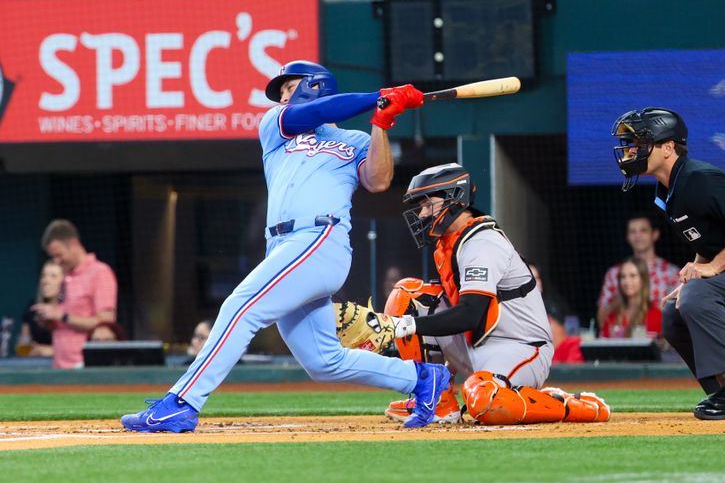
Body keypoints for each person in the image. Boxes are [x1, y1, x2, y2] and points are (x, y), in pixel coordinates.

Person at [121, 60, 450, 432]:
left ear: (314, 84)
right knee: (324, 362)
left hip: (319, 239)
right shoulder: (277, 127)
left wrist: (382, 121)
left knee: (241, 307)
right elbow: (320, 111)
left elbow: (378, 180)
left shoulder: (355, 141)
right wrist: (377, 96)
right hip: (282, 246)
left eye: (288, 87)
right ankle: (423, 379)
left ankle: (182, 403)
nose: (282, 95)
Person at [383, 164, 609, 425]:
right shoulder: (450, 242)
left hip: (521, 348)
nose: (422, 214)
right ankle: (438, 403)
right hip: (478, 344)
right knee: (407, 295)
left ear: (453, 198)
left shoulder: (482, 242)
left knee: (486, 402)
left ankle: (574, 407)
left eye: (427, 204)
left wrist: (397, 326)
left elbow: (470, 313)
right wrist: (391, 323)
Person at [612, 106, 725, 420]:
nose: (631, 150)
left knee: (701, 294)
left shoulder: (698, 177)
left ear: (668, 147)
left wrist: (710, 270)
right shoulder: (670, 190)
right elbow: (710, 242)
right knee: (675, 310)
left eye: (640, 142)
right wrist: (694, 272)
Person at [33, 220, 118, 369]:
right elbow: (63, 321)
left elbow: (106, 322)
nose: (57, 261)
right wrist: (48, 319)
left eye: (59, 255)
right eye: (53, 257)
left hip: (85, 366)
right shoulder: (63, 276)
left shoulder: (100, 272)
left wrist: (62, 315)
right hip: (59, 366)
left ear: (73, 244)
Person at [597, 213, 679, 327]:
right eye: (632, 231)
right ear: (627, 237)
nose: (638, 236)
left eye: (643, 230)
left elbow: (679, 315)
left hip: (661, 339)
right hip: (623, 339)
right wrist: (622, 299)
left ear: (654, 234)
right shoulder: (614, 273)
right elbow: (602, 319)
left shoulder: (671, 273)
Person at [528, 263, 583, 363]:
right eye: (529, 278)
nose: (535, 283)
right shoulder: (509, 314)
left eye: (537, 278)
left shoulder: (553, 309)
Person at [598, 257, 662, 339]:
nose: (627, 281)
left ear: (643, 279)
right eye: (623, 277)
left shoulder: (657, 315)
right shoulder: (612, 316)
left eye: (632, 276)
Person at [16, 260, 62, 357]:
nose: (46, 281)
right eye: (44, 275)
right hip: (37, 365)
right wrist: (27, 348)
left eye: (53, 276)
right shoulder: (32, 307)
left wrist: (47, 350)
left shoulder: (71, 309)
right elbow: (23, 343)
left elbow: (77, 347)